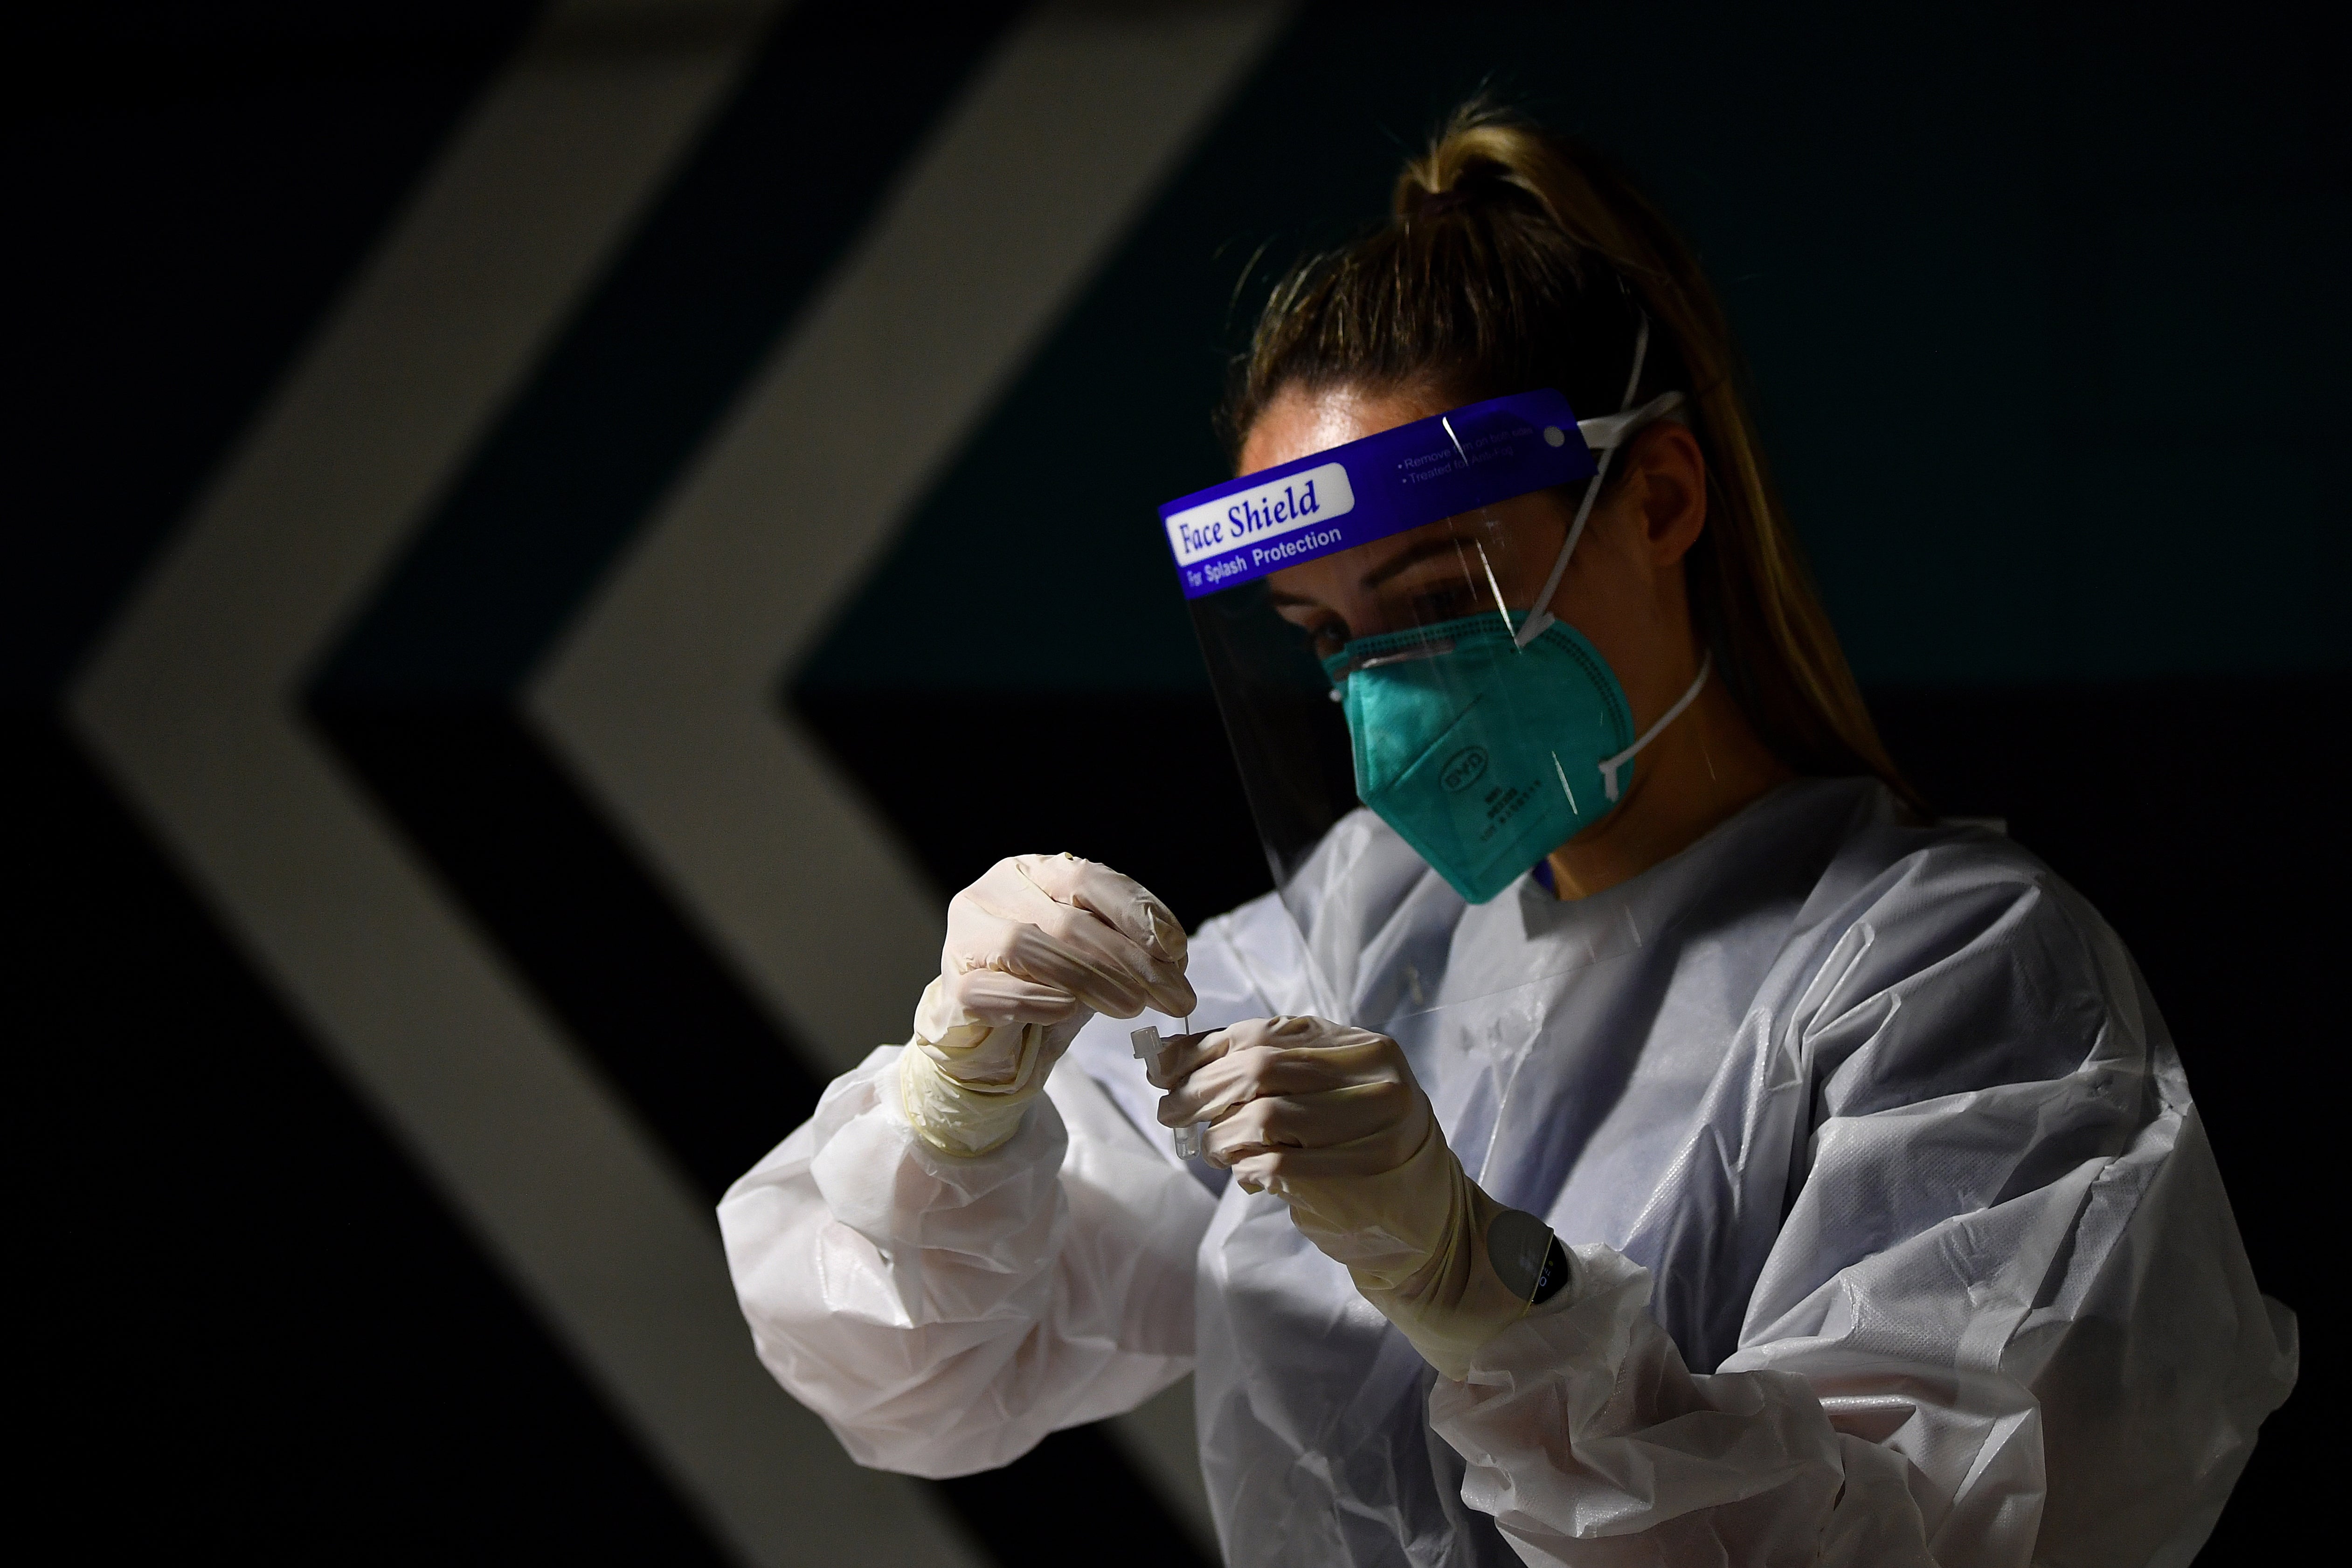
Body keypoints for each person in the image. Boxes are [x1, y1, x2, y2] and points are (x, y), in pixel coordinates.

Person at [719, 103, 2296, 1567]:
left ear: (1661, 497)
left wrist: (1485, 1287)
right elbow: (916, 1375)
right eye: (1324, 633)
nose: (1381, 698)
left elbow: (1929, 1534)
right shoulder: (1346, 940)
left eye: (1429, 601)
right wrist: (958, 1102)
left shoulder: (1945, 981)